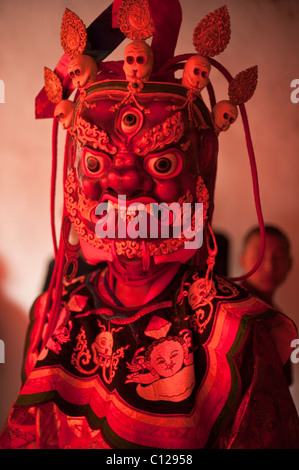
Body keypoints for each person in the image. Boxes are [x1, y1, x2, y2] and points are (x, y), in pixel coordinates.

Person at [0, 1, 298, 449]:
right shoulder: (55, 312)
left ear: (206, 165)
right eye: (96, 162)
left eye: (160, 161)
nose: (122, 182)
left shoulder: (235, 328)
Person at [239, 225, 292, 308]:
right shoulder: (234, 306)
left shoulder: (272, 311)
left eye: (279, 257)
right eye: (260, 257)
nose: (269, 268)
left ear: (289, 264)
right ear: (242, 261)